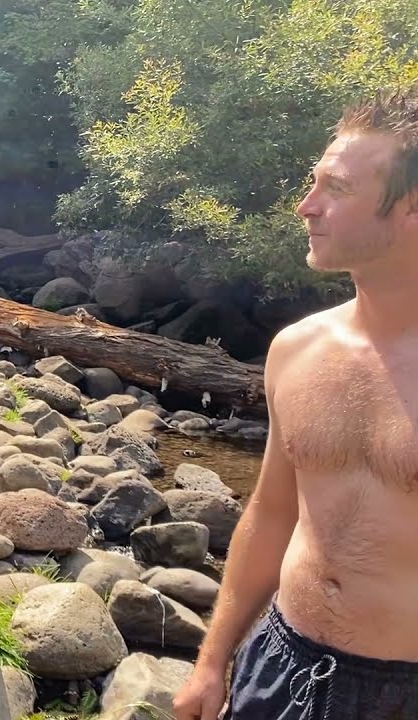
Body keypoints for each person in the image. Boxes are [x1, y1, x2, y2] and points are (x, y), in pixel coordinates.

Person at [173, 84, 418, 720]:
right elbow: (273, 511)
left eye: (335, 189)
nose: (305, 206)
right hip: (280, 666)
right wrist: (212, 661)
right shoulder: (297, 348)